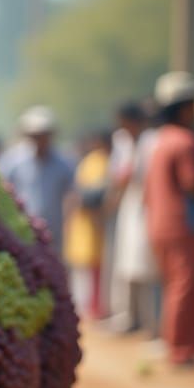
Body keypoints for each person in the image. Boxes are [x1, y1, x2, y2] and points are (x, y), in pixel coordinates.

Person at [145, 72, 194, 367]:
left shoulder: (159, 141)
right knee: (186, 285)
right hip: (181, 225)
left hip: (159, 224)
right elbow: (191, 183)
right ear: (183, 107)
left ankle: (178, 343)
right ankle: (180, 348)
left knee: (174, 285)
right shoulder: (184, 142)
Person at [106, 101, 160, 335]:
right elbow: (118, 174)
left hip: (148, 205)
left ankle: (152, 322)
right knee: (125, 263)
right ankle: (127, 316)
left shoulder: (152, 141)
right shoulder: (122, 141)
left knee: (148, 265)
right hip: (129, 205)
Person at [0, 106, 76, 259]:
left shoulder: (63, 163)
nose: (40, 140)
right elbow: (3, 191)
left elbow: (71, 195)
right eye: (35, 135)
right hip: (22, 230)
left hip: (54, 230)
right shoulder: (13, 160)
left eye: (43, 135)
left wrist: (69, 220)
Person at [65, 130, 111, 319]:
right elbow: (88, 193)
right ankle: (94, 308)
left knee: (97, 268)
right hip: (91, 220)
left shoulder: (96, 161)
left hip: (96, 220)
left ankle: (97, 307)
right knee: (92, 268)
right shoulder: (95, 161)